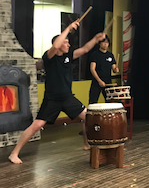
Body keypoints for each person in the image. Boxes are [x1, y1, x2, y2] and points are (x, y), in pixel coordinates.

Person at [8, 21, 105, 164]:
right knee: (37, 125)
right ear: (59, 44)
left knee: (87, 117)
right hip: (52, 99)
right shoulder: (49, 57)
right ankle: (14, 153)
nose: (69, 45)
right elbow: (54, 46)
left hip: (67, 98)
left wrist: (95, 39)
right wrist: (69, 28)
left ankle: (86, 143)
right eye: (66, 42)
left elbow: (84, 49)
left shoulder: (68, 56)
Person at [89, 35, 119, 104]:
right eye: (104, 42)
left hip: (108, 82)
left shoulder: (110, 55)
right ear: (100, 43)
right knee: (93, 102)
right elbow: (92, 69)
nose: (105, 44)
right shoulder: (95, 54)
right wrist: (99, 81)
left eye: (107, 42)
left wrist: (116, 70)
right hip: (96, 82)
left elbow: (114, 68)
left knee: (109, 102)